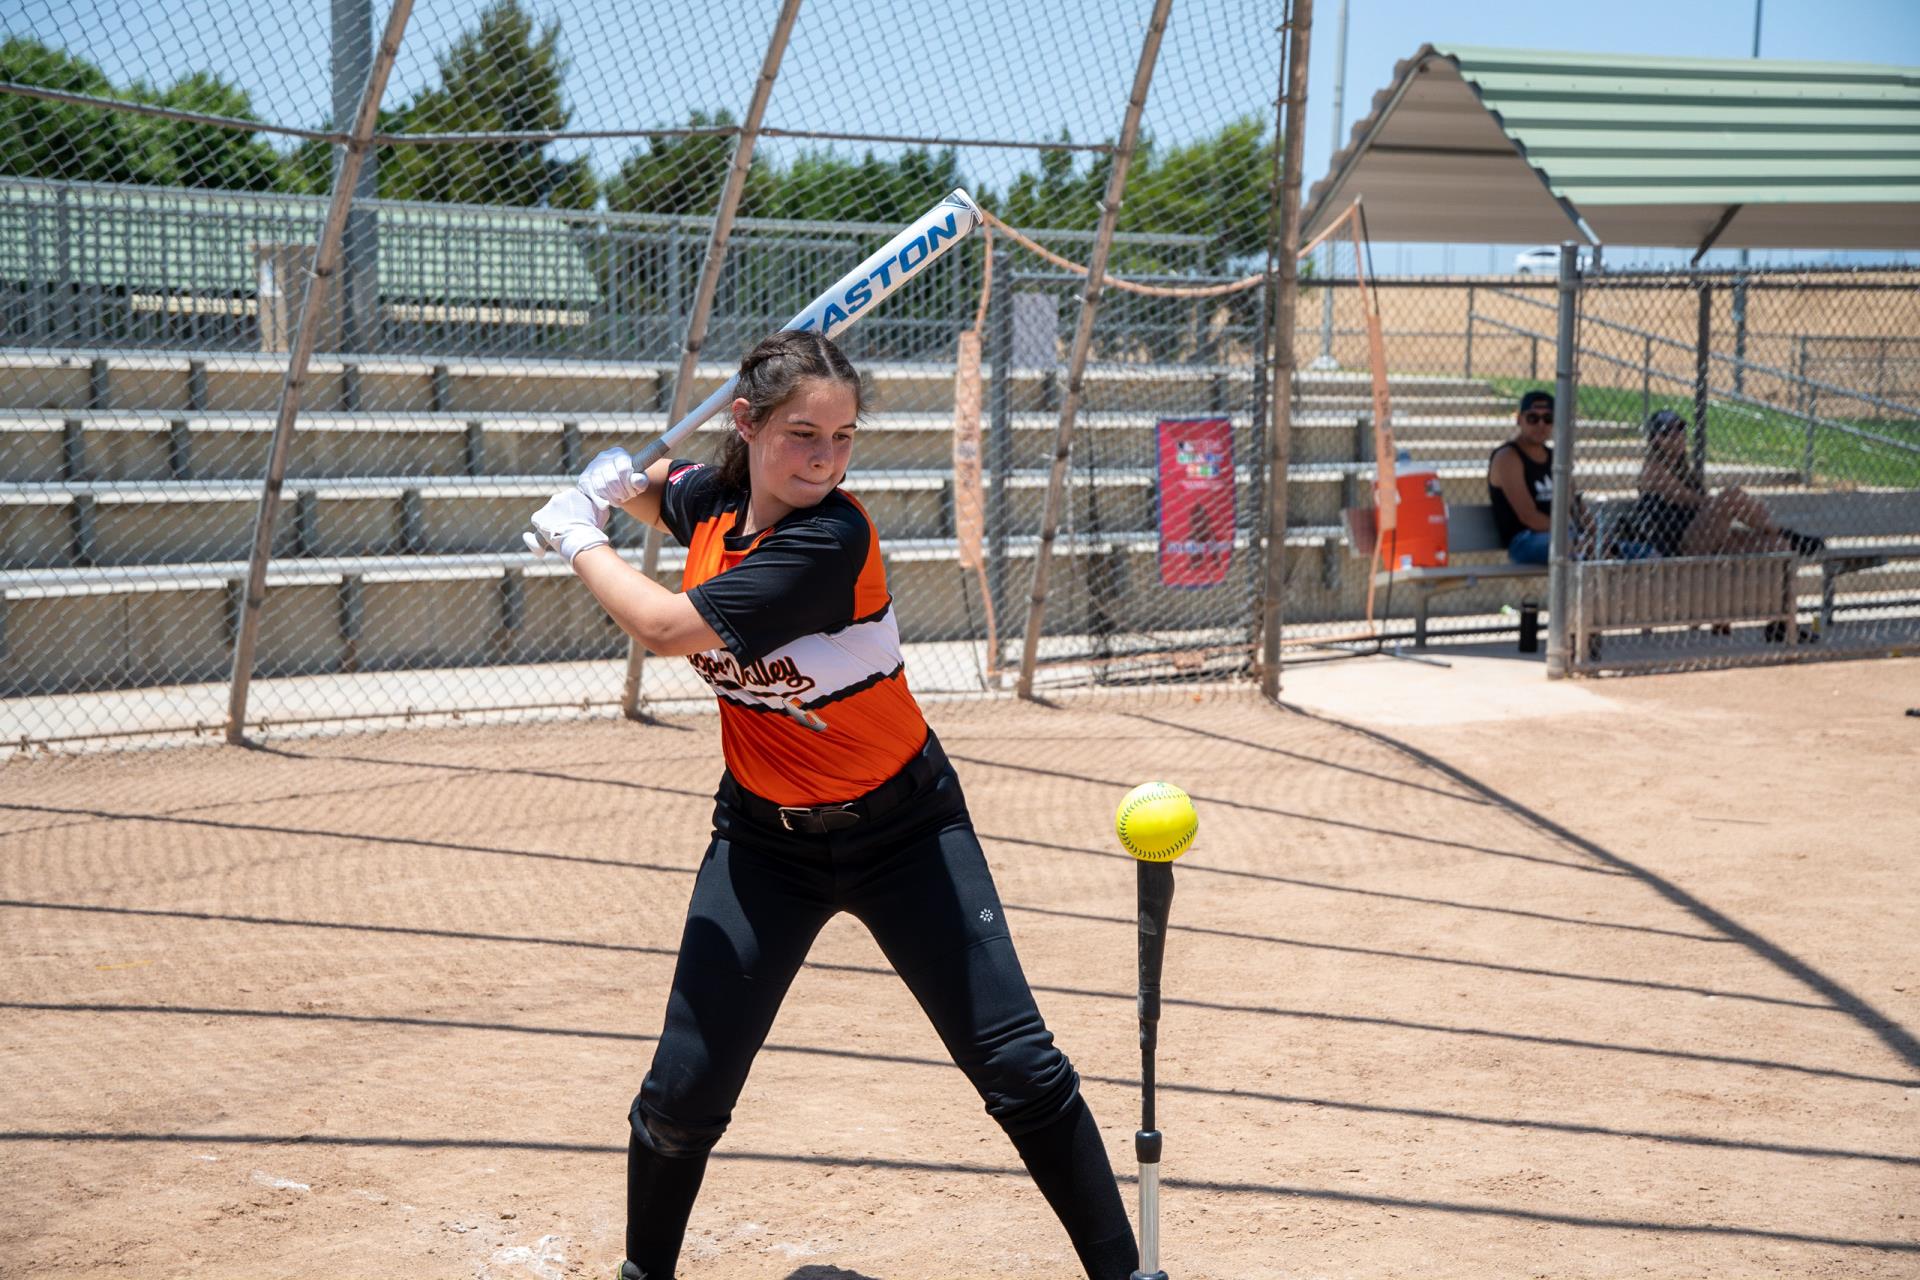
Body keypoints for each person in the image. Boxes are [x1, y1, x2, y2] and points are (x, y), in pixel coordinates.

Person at [525, 330, 1140, 1280]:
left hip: (906, 829)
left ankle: (1125, 1274)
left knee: (1018, 1066)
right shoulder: (718, 502)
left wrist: (577, 535)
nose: (824, 457)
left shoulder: (829, 538)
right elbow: (666, 491)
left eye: (843, 437)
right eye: (802, 433)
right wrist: (622, 479)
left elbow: (660, 626)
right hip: (762, 844)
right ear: (747, 425)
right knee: (682, 1093)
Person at [1628, 409, 1825, 558]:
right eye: (1667, 433)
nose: (1676, 437)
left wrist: (1722, 515)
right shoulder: (1652, 471)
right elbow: (1691, 500)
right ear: (1655, 440)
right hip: (1679, 544)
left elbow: (1702, 505)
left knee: (1777, 546)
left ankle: (1784, 544)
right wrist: (1721, 507)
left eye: (1680, 429)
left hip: (1705, 536)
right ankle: (1787, 533)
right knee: (1730, 497)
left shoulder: (1685, 472)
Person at [1486, 389, 1589, 564]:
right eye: (1533, 418)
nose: (1541, 424)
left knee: (1633, 550)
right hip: (1525, 541)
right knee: (1579, 549)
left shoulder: (1555, 458)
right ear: (1519, 419)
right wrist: (1573, 533)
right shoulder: (1508, 457)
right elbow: (1529, 517)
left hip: (1563, 536)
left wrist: (1596, 536)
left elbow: (1576, 505)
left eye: (1548, 418)